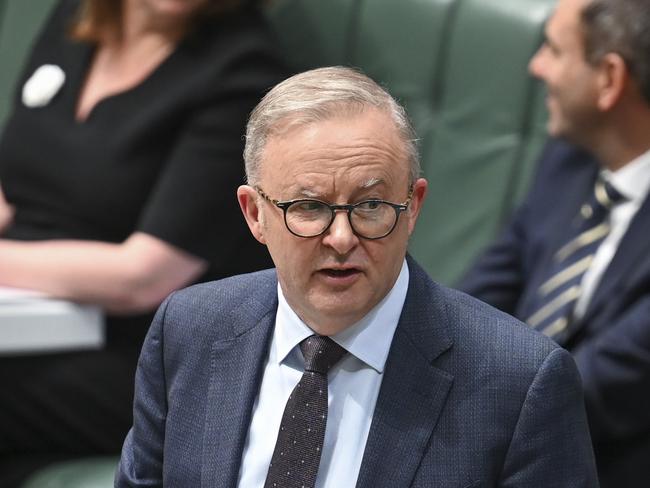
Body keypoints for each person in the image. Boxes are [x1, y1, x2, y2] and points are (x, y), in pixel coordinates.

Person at [116, 66, 598, 487]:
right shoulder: (190, 329)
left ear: (413, 207)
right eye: (308, 207)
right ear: (254, 214)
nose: (342, 238)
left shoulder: (519, 383)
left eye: (370, 206)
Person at [0, 0, 285, 483]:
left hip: (143, 355)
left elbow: (144, 276)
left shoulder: (242, 73)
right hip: (26, 310)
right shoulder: (76, 19)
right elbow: (13, 178)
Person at [460, 0, 650, 486]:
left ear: (609, 78)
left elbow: (601, 388)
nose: (536, 66)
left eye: (554, 49)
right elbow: (484, 292)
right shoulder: (569, 158)